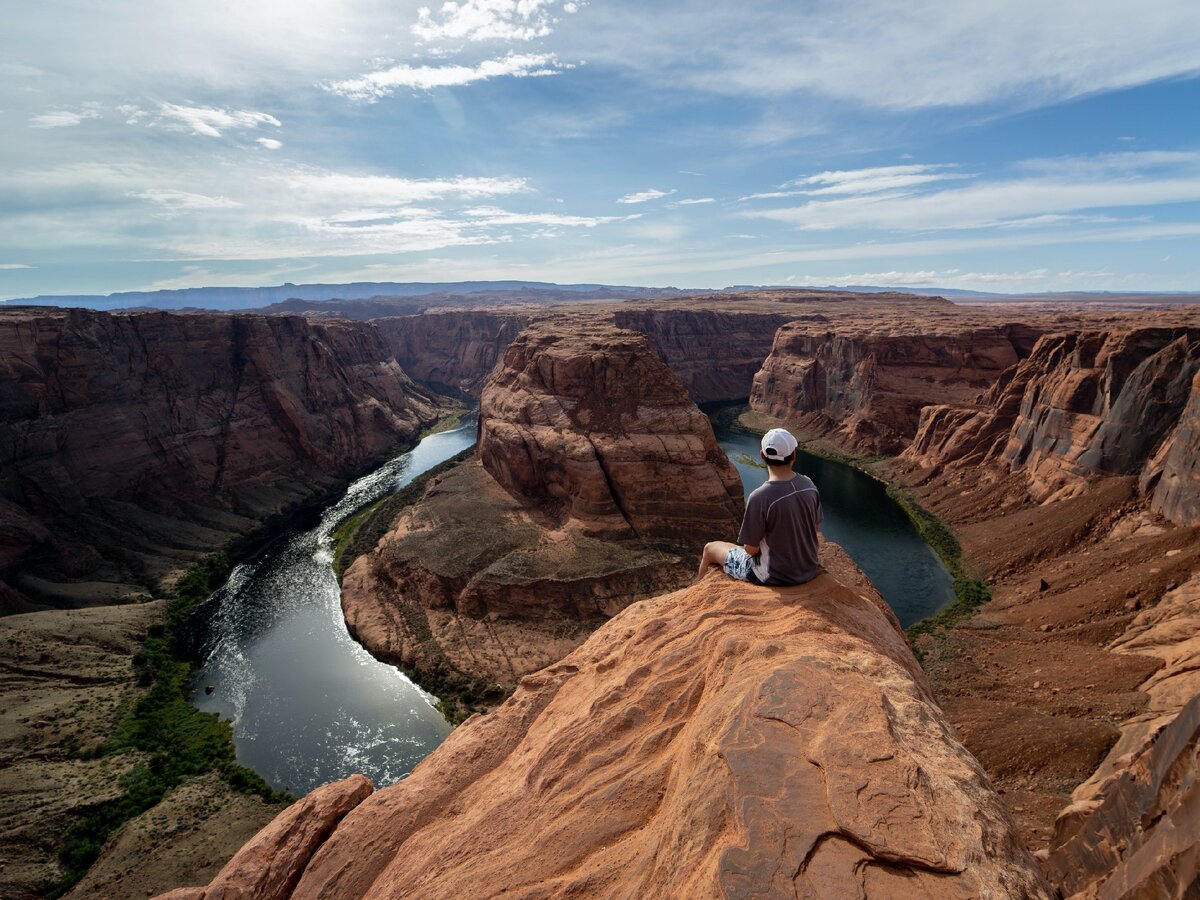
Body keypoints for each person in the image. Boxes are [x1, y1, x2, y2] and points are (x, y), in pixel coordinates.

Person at [697, 427, 822, 585]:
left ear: (762, 456)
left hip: (772, 576)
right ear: (794, 456)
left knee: (710, 548)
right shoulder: (809, 485)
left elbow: (750, 550)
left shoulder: (760, 497)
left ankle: (696, 587)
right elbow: (815, 528)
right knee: (729, 546)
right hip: (808, 569)